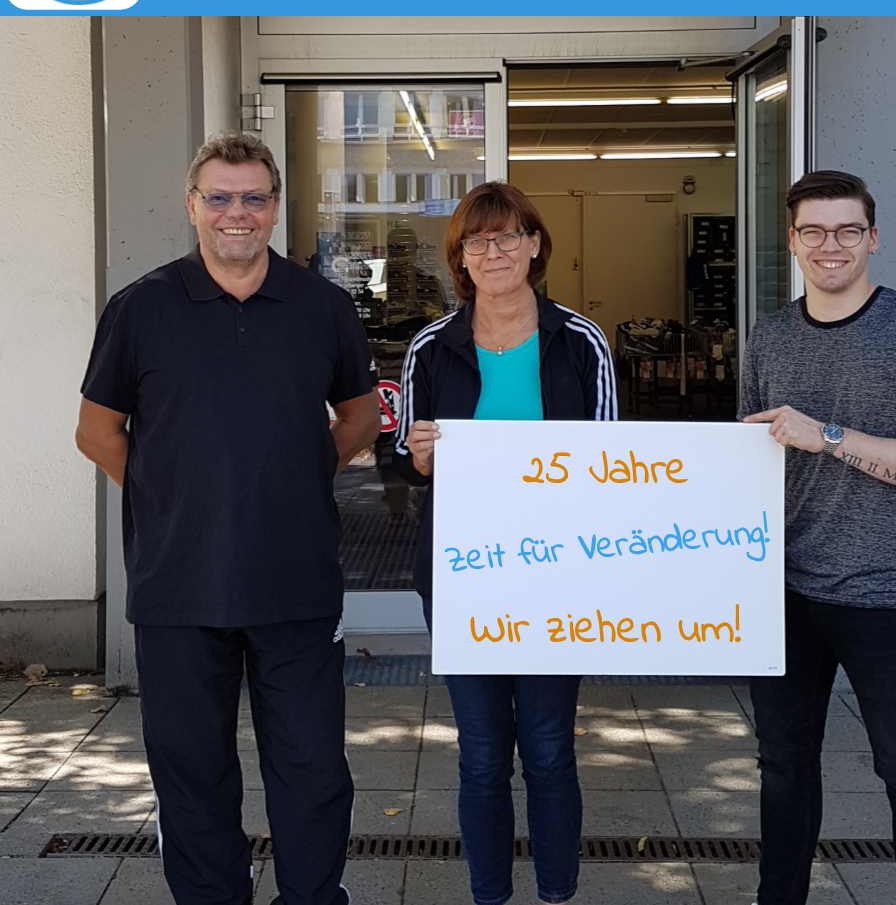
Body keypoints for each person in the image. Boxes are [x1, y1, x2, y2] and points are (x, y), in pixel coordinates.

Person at [75, 133, 380, 905]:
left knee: (311, 766)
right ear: (192, 206)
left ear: (273, 207)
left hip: (295, 579)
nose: (235, 212)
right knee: (191, 768)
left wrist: (290, 479)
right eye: (219, 197)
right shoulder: (141, 308)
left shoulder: (322, 306)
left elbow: (359, 418)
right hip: (178, 584)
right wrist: (176, 496)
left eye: (252, 197)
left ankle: (311, 896)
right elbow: (97, 432)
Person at [740, 170, 896, 905]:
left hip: (886, 594)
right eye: (813, 230)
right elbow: (749, 466)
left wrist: (831, 436)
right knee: (782, 769)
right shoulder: (768, 337)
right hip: (783, 593)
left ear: (872, 238)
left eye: (846, 230)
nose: (830, 245)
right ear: (792, 241)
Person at [394, 182, 617, 905]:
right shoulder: (431, 347)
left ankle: (556, 893)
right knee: (483, 753)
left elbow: (614, 466)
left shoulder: (580, 341)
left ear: (534, 244)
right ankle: (488, 894)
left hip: (557, 577)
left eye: (508, 236)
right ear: (460, 256)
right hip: (464, 578)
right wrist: (419, 456)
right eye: (477, 240)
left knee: (549, 749)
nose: (493, 252)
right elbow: (404, 458)